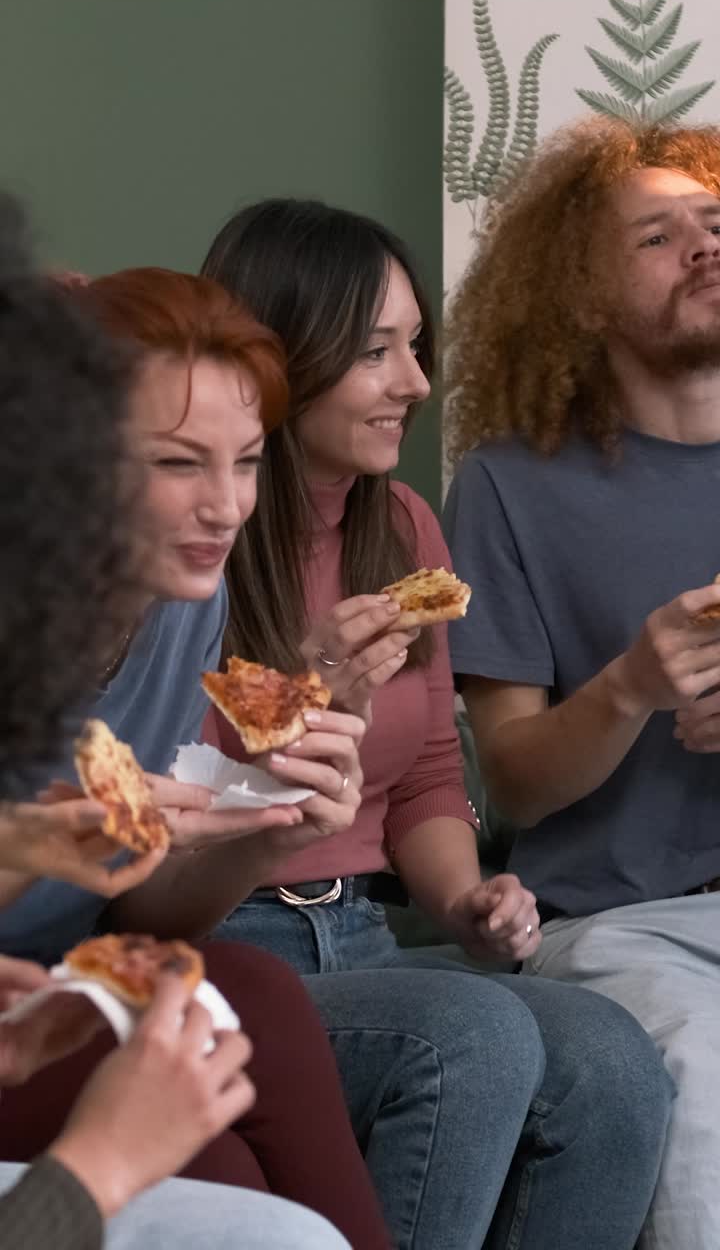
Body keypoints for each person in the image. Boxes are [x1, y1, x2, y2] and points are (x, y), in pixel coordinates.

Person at [198, 197, 674, 1249]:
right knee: (472, 1036)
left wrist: (467, 901)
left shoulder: (406, 527)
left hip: (365, 934)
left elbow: (422, 776)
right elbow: (160, 788)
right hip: (226, 941)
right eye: (377, 353)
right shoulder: (193, 534)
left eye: (415, 347)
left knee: (612, 1058)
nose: (416, 384)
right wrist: (306, 692)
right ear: (280, 358)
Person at [0, 262, 388, 1250]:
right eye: (178, 464)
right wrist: (41, 840)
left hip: (66, 987)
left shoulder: (185, 601)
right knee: (237, 1061)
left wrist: (268, 828)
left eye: (247, 461)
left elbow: (139, 910)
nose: (226, 506)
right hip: (24, 1018)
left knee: (242, 1015)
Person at [442, 115, 720, 1250]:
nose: (704, 245)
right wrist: (633, 686)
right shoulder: (507, 488)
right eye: (658, 237)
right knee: (703, 1121)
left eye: (714, 223)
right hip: (622, 927)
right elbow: (512, 782)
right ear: (584, 299)